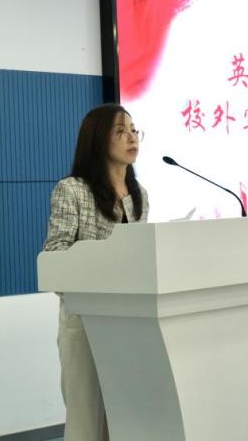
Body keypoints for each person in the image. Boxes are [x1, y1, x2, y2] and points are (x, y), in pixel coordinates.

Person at [42, 103, 148, 441]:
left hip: (129, 319)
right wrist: (100, 270)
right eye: (121, 130)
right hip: (84, 321)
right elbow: (55, 254)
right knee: (86, 419)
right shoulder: (72, 190)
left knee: (127, 416)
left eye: (134, 129)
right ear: (98, 139)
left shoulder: (139, 195)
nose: (132, 137)